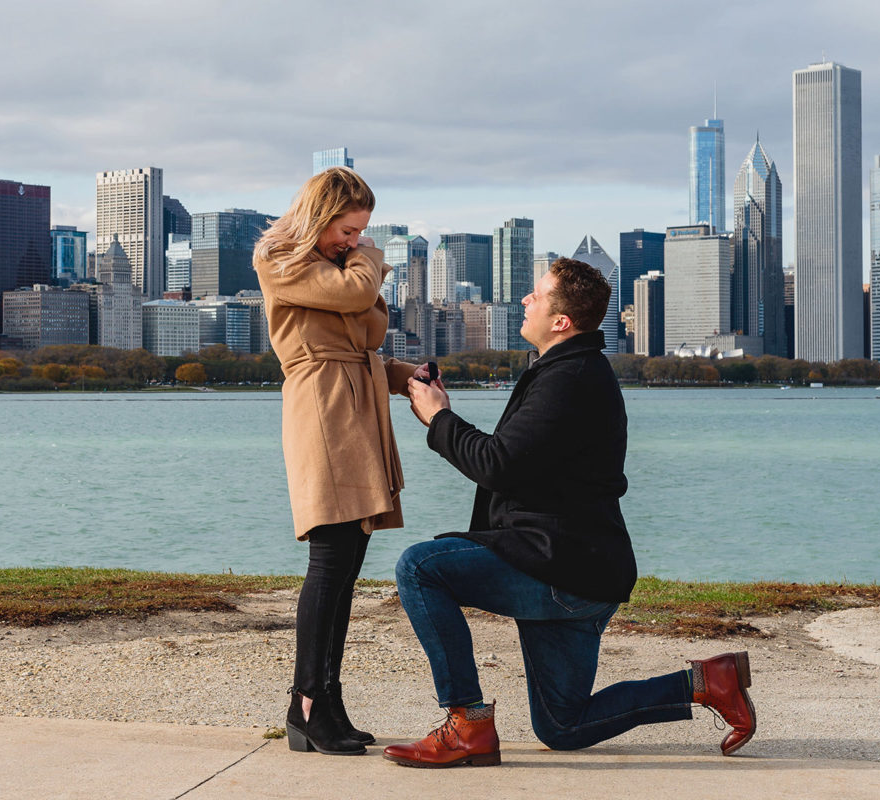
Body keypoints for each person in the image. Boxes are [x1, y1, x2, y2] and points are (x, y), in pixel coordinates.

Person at [386, 258, 756, 768]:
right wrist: (443, 415)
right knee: (564, 725)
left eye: (537, 296)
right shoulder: (568, 370)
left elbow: (497, 465)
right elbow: (513, 462)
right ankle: (709, 682)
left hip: (559, 567)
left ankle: (467, 725)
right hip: (578, 565)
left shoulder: (570, 377)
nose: (525, 301)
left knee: (420, 567)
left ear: (561, 322)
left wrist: (438, 417)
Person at [253, 167, 426, 757]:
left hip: (356, 402)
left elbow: (366, 337)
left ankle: (327, 699)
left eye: (361, 233)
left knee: (349, 559)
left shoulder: (339, 267)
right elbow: (356, 300)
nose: (355, 240)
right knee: (330, 557)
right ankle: (305, 703)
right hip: (323, 408)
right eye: (348, 229)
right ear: (321, 216)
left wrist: (405, 377)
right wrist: (372, 260)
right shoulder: (279, 257)